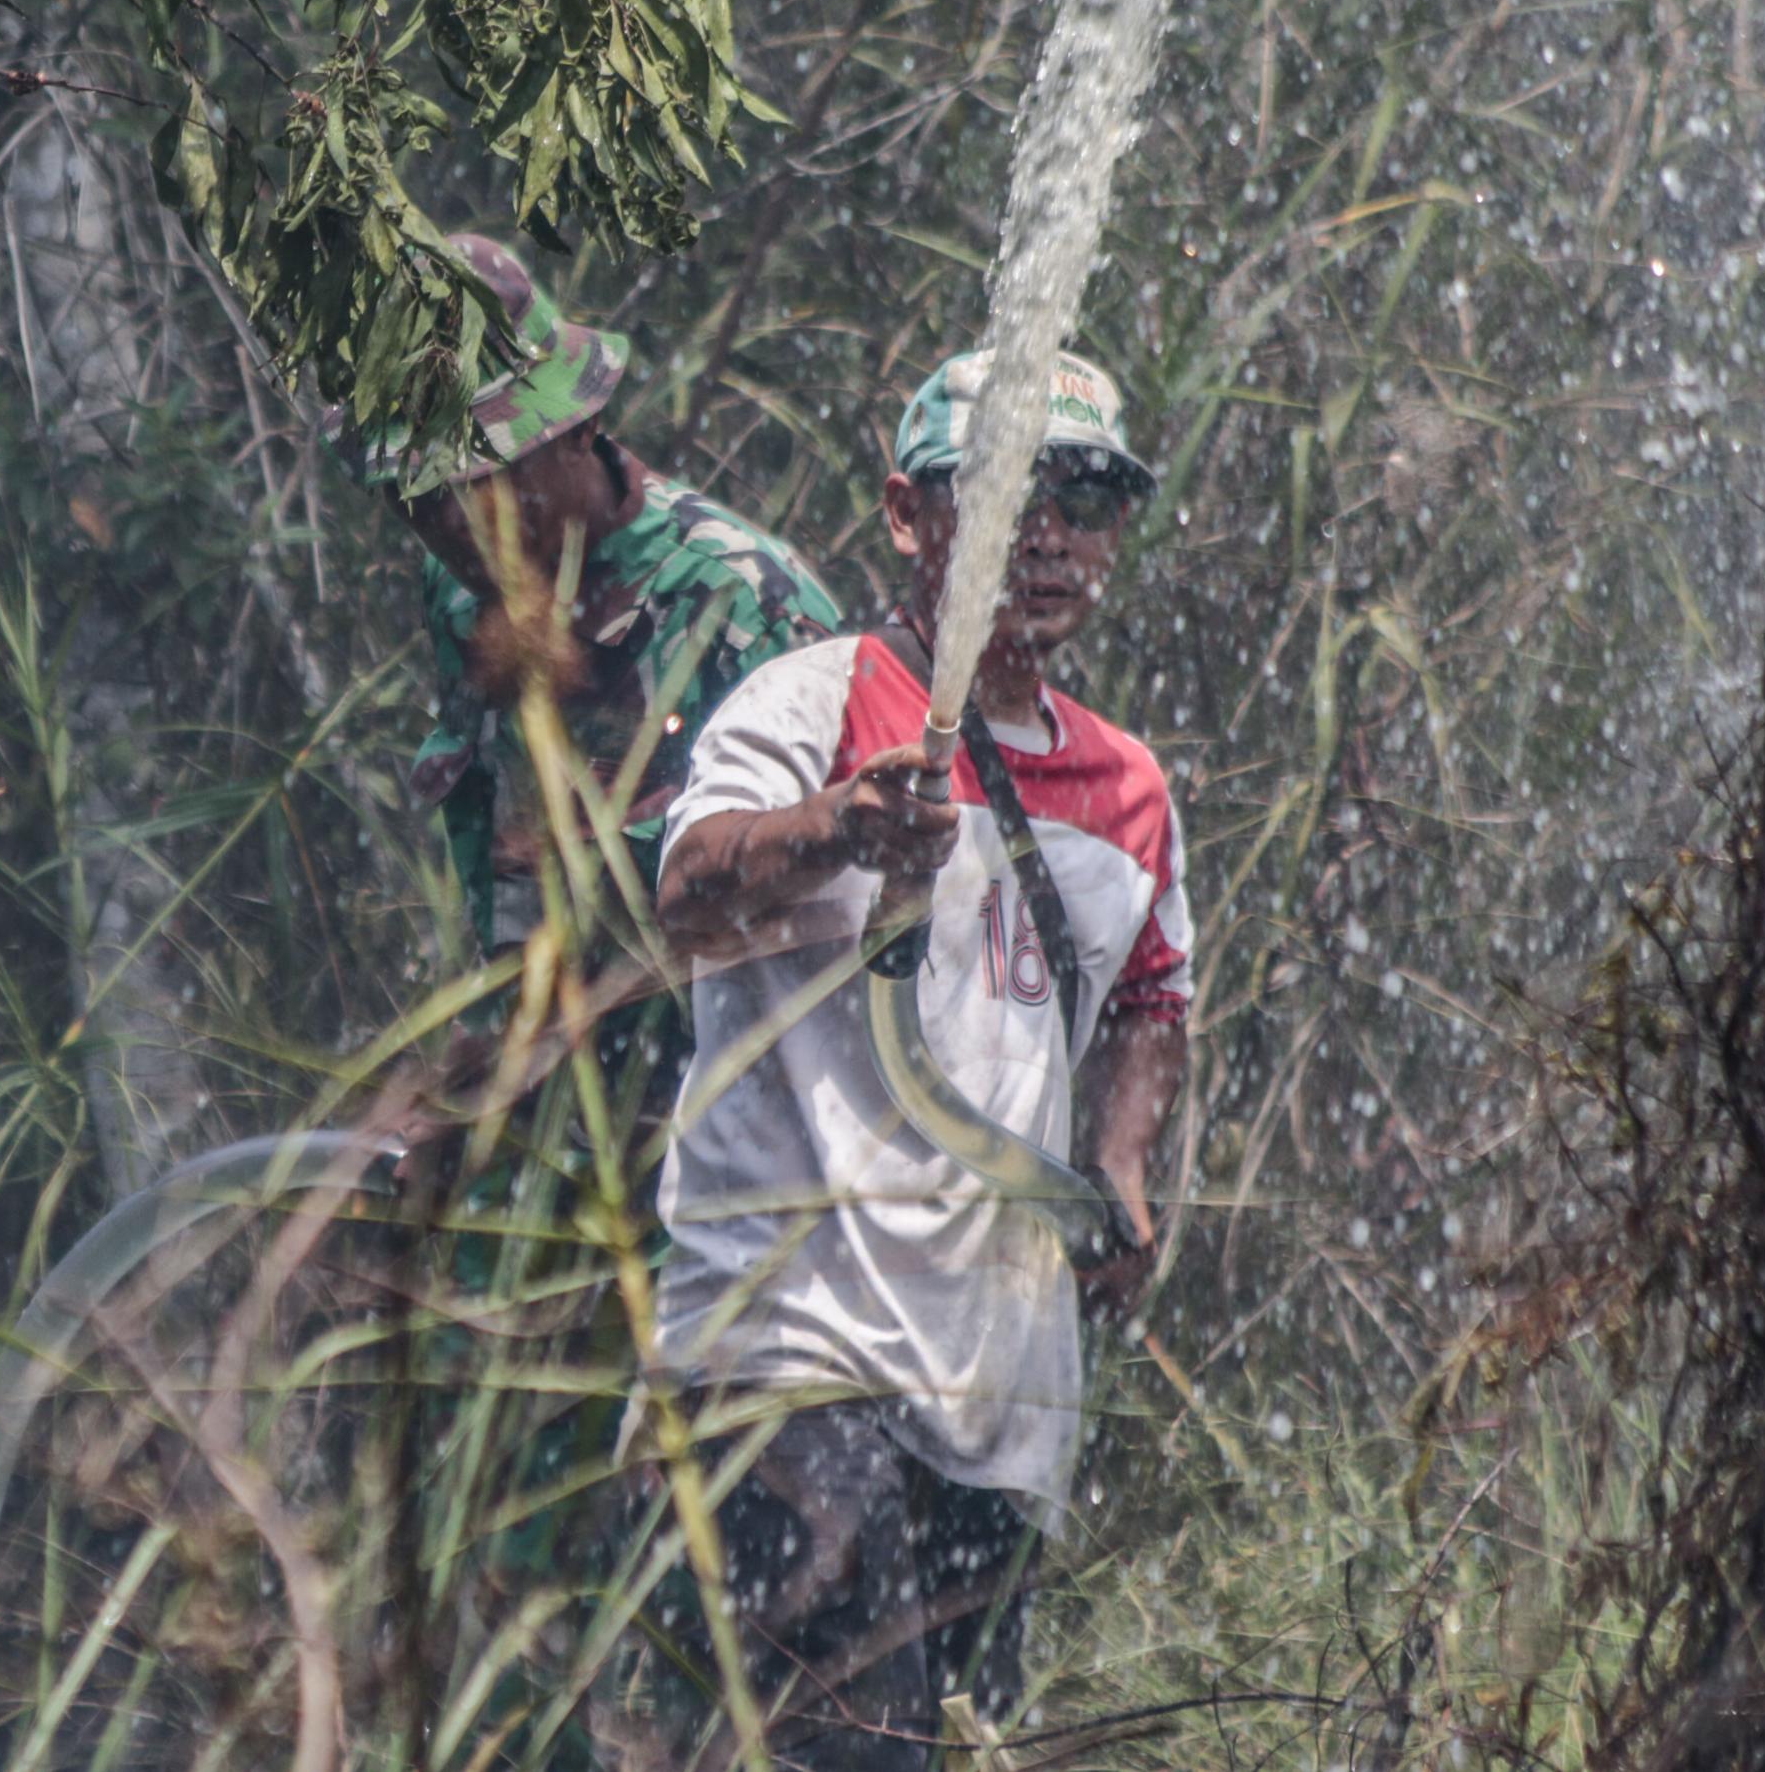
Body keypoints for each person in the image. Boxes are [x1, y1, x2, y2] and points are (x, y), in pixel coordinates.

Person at [644, 350, 1194, 1767]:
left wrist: (1120, 1161)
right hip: (789, 1352)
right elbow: (687, 892)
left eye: (1085, 498)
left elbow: (1151, 991)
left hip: (996, 1393)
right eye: (1011, 492)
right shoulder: (816, 702)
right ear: (908, 514)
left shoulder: (1126, 788)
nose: (1053, 533)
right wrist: (834, 828)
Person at [341, 234, 844, 1096]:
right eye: (416, 499)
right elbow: (505, 867)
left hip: (713, 1135)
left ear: (580, 428)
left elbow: (830, 921)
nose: (453, 526)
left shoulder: (744, 604)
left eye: (482, 483)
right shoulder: (463, 593)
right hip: (531, 1124)